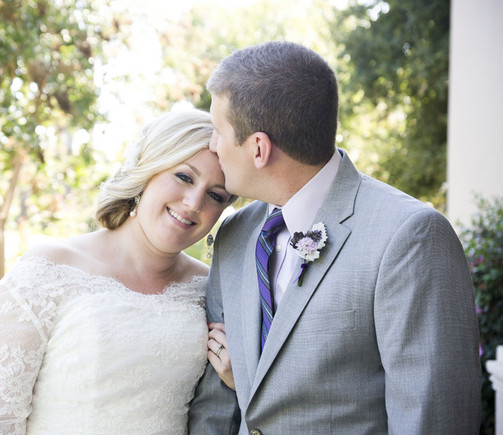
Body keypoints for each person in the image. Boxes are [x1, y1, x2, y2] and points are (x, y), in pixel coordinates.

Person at [188, 41, 481, 434]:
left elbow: (433, 417)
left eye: (218, 132)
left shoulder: (409, 237)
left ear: (259, 148)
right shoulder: (234, 234)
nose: (212, 146)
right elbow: (217, 408)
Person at [0, 108, 236, 434]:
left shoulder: (211, 287)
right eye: (184, 177)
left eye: (215, 195)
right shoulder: (48, 272)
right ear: (148, 171)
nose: (193, 203)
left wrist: (239, 379)